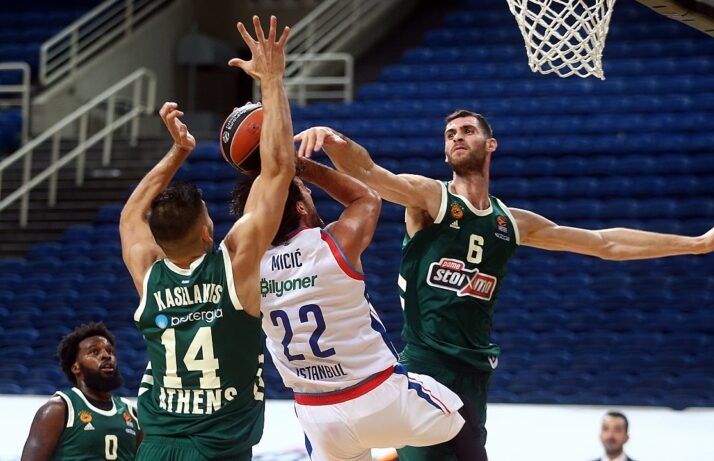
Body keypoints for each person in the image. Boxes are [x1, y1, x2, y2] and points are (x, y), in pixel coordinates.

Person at [293, 111, 714, 460]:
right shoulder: (430, 198)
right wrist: (333, 139)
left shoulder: (511, 222)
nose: (457, 137)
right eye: (450, 134)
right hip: (426, 366)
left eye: (467, 131)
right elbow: (370, 175)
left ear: (490, 144)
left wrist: (696, 243)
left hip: (475, 371)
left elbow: (604, 243)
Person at [118, 16, 295, 461]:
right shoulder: (234, 264)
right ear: (206, 230)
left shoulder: (148, 276)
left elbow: (130, 216)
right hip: (218, 448)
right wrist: (271, 81)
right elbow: (279, 170)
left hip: (155, 446)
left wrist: (178, 152)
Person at [230, 157, 484, 461]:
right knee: (463, 417)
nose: (310, 193)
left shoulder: (245, 266)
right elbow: (366, 197)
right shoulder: (333, 242)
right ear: (300, 208)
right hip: (379, 395)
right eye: (305, 191)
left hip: (318, 416)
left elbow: (248, 229)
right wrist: (301, 166)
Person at [21, 322, 141, 461]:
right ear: (75, 367)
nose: (106, 356)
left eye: (110, 351)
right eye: (94, 352)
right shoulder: (59, 409)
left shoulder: (131, 413)